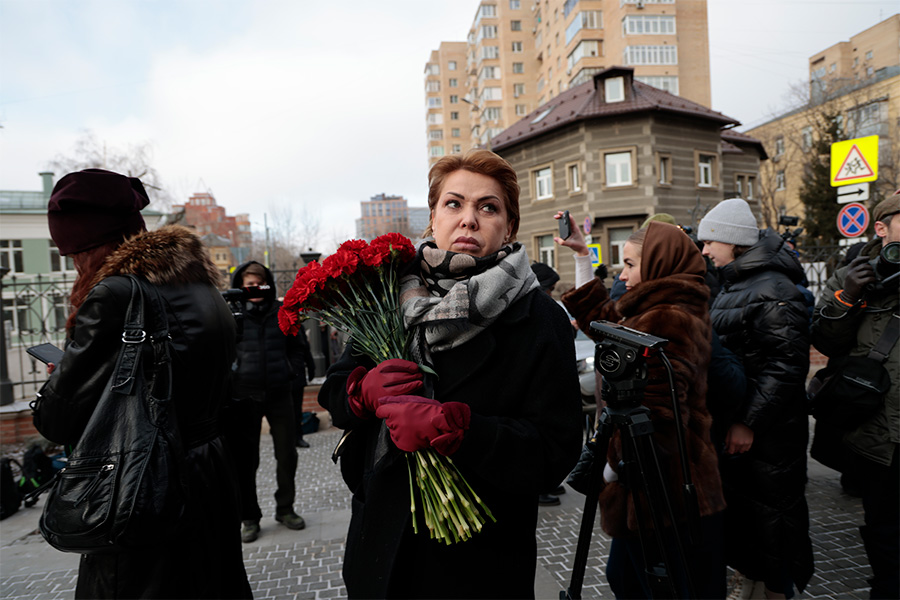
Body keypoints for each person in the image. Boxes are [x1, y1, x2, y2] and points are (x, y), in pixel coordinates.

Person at [318, 149, 583, 599]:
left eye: (488, 207)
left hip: (479, 559)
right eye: (454, 203)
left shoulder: (539, 318)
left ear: (509, 227)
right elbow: (333, 394)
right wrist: (360, 391)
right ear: (434, 217)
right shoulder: (389, 296)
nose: (469, 220)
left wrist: (461, 432)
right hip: (381, 545)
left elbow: (555, 451)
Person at [32, 169, 251, 599]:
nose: (74, 265)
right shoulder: (203, 287)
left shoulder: (115, 297)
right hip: (211, 476)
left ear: (91, 245)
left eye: (75, 253)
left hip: (145, 489)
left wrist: (60, 379)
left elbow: (57, 421)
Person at [561, 221, 727, 599]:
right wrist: (583, 256)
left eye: (631, 265)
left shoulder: (668, 316)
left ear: (659, 262)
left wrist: (608, 468)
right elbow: (606, 324)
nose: (624, 275)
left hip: (662, 489)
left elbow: (654, 415)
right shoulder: (659, 307)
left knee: (650, 585)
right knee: (628, 578)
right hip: (657, 485)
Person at [697, 198, 813, 599]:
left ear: (734, 241)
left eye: (711, 241)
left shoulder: (773, 289)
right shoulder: (737, 283)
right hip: (745, 431)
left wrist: (748, 421)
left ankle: (778, 591)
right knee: (750, 523)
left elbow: (786, 367)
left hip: (770, 434)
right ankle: (754, 583)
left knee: (773, 523)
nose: (706, 250)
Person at [809, 194, 899, 599]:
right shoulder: (852, 275)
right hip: (879, 432)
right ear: (882, 228)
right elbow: (826, 339)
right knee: (884, 524)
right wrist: (847, 296)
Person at [227, 260, 308, 543]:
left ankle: (285, 508)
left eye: (260, 284)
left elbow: (299, 348)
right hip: (245, 396)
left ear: (268, 284)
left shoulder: (282, 312)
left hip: (279, 393)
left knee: (287, 455)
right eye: (249, 285)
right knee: (246, 461)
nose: (255, 289)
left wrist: (291, 371)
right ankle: (249, 517)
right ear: (240, 287)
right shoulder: (232, 316)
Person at [290, 324, 317, 449]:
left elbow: (305, 348)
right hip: (284, 374)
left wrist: (311, 366)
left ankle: (297, 437)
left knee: (296, 409)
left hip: (297, 373)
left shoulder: (298, 326)